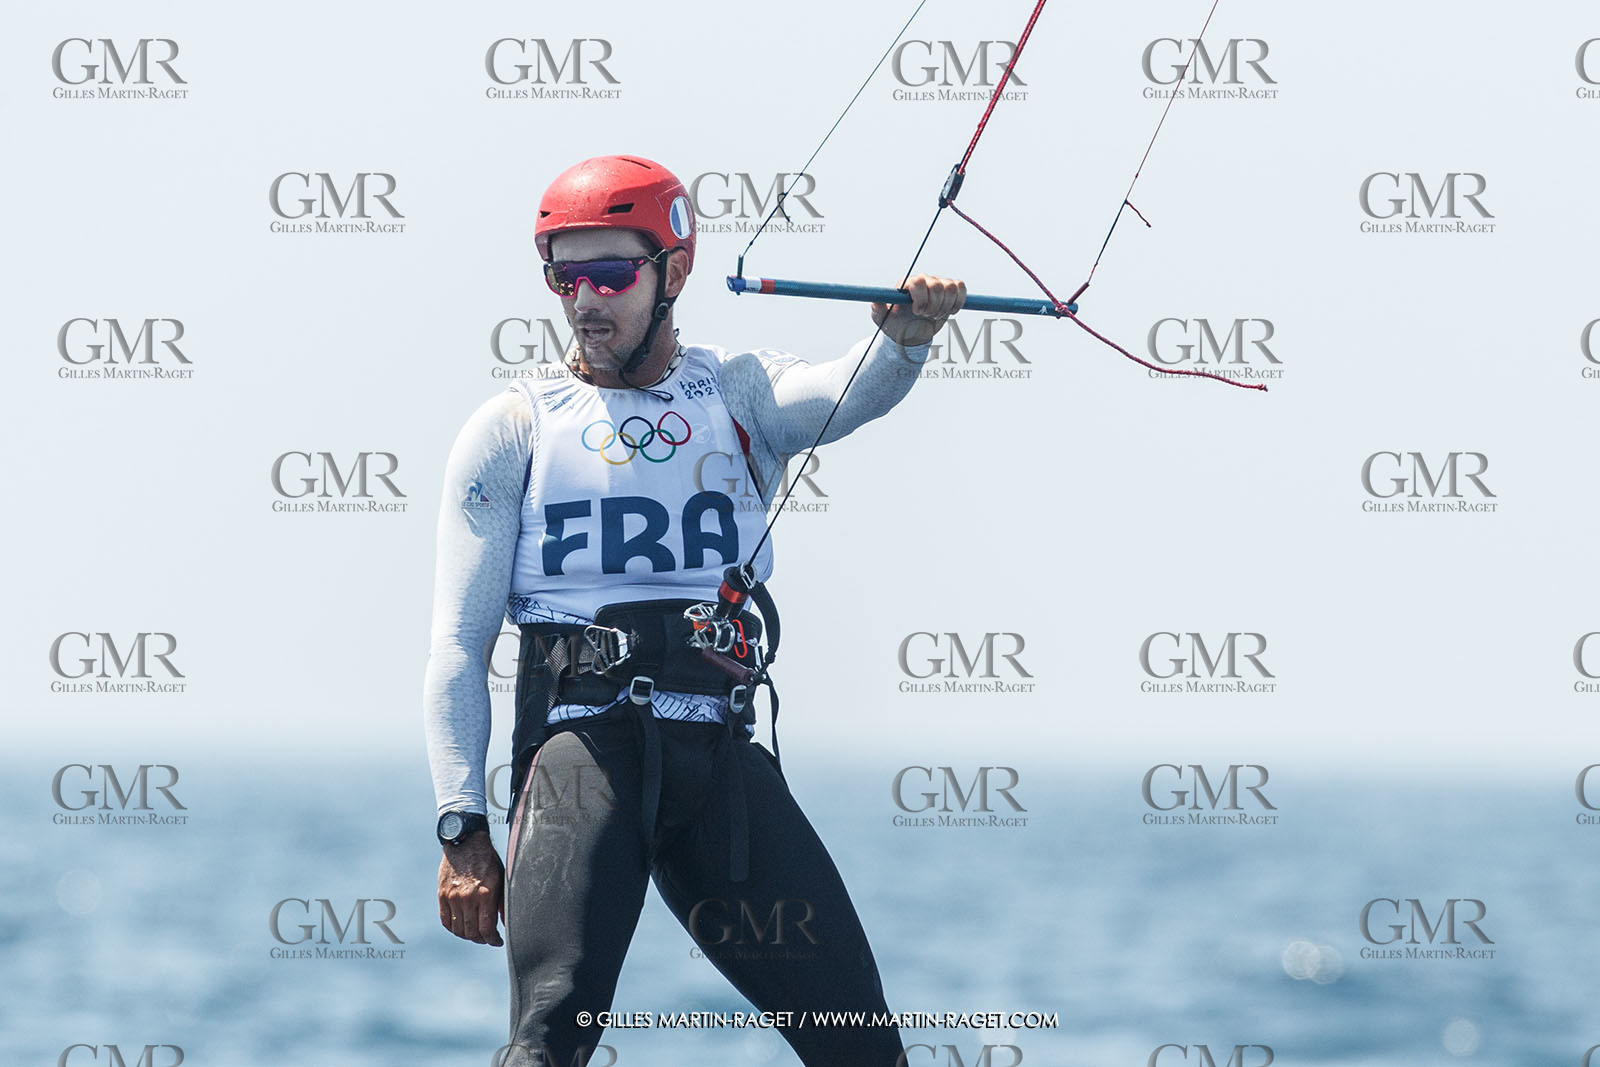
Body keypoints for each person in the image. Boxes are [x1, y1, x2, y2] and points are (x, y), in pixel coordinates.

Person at [422, 154, 965, 1066]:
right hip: (579, 764)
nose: (585, 300)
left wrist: (905, 335)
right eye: (564, 274)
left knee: (862, 1043)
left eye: (611, 273)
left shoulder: (737, 390)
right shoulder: (513, 428)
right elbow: (457, 647)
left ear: (674, 272)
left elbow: (842, 393)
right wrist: (462, 826)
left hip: (716, 766)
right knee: (549, 1040)